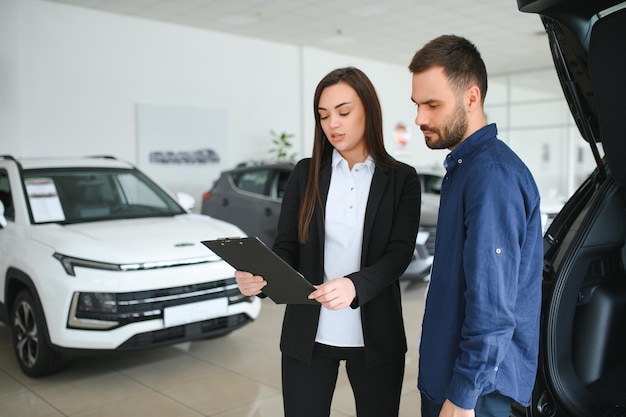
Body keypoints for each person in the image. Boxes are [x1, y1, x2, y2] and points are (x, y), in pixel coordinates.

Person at [235, 66, 421, 417]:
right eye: (323, 116)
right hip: (308, 334)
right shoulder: (305, 173)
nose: (333, 124)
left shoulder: (401, 179)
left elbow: (399, 254)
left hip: (376, 335)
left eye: (344, 112)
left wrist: (355, 286)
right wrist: (260, 279)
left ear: (368, 109)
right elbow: (287, 246)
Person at [408, 35, 543, 417]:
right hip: (449, 377)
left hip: (477, 395)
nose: (420, 118)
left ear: (471, 97)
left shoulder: (491, 176)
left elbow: (492, 304)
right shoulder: (465, 168)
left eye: (432, 105)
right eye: (417, 105)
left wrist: (464, 395)